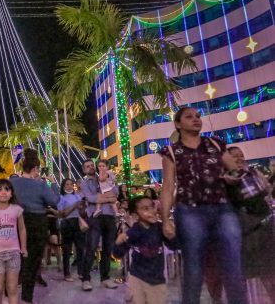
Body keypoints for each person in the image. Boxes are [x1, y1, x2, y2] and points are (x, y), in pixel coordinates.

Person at [160, 107, 247, 304]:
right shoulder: (172, 152)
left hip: (222, 207)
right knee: (193, 268)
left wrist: (231, 178)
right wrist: (166, 220)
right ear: (178, 124)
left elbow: (234, 170)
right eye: (189, 117)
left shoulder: (215, 144)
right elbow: (168, 186)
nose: (196, 119)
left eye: (198, 116)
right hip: (189, 210)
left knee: (233, 264)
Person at [10, 148, 59, 304]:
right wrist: (53, 184)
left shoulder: (12, 183)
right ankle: (26, 298)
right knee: (32, 261)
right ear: (35, 169)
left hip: (17, 221)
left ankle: (9, 295)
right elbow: (54, 201)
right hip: (37, 222)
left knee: (16, 259)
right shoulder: (41, 184)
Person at [227, 146, 275, 302]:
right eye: (235, 156)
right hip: (249, 233)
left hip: (266, 226)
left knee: (270, 274)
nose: (239, 158)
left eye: (241, 155)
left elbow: (268, 191)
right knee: (252, 275)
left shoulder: (253, 173)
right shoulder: (226, 180)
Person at [113, 196, 177, 304]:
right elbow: (118, 254)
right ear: (135, 215)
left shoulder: (160, 228)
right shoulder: (133, 232)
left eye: (152, 207)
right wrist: (118, 242)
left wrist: (172, 235)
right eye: (145, 209)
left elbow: (174, 246)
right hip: (137, 278)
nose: (152, 211)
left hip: (157, 280)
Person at [0, 179, 27, 304]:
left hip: (13, 253)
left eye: (7, 189)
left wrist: (23, 247)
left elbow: (22, 229)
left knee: (12, 288)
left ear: (11, 193)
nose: (3, 192)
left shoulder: (17, 209)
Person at [80, 158, 119, 292]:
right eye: (87, 166)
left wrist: (106, 197)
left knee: (108, 249)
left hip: (109, 216)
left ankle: (105, 278)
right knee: (91, 247)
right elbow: (90, 198)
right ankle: (86, 279)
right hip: (95, 217)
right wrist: (108, 198)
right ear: (84, 170)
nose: (91, 167)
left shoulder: (106, 176)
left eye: (92, 165)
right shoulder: (84, 183)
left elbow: (116, 194)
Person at [57, 178, 86, 282]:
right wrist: (74, 206)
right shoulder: (61, 198)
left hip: (77, 222)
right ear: (63, 186)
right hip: (67, 223)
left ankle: (81, 272)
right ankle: (67, 273)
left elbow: (82, 212)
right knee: (67, 250)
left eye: (71, 184)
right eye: (67, 184)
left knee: (80, 249)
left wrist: (82, 207)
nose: (69, 186)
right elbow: (62, 213)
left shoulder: (77, 196)